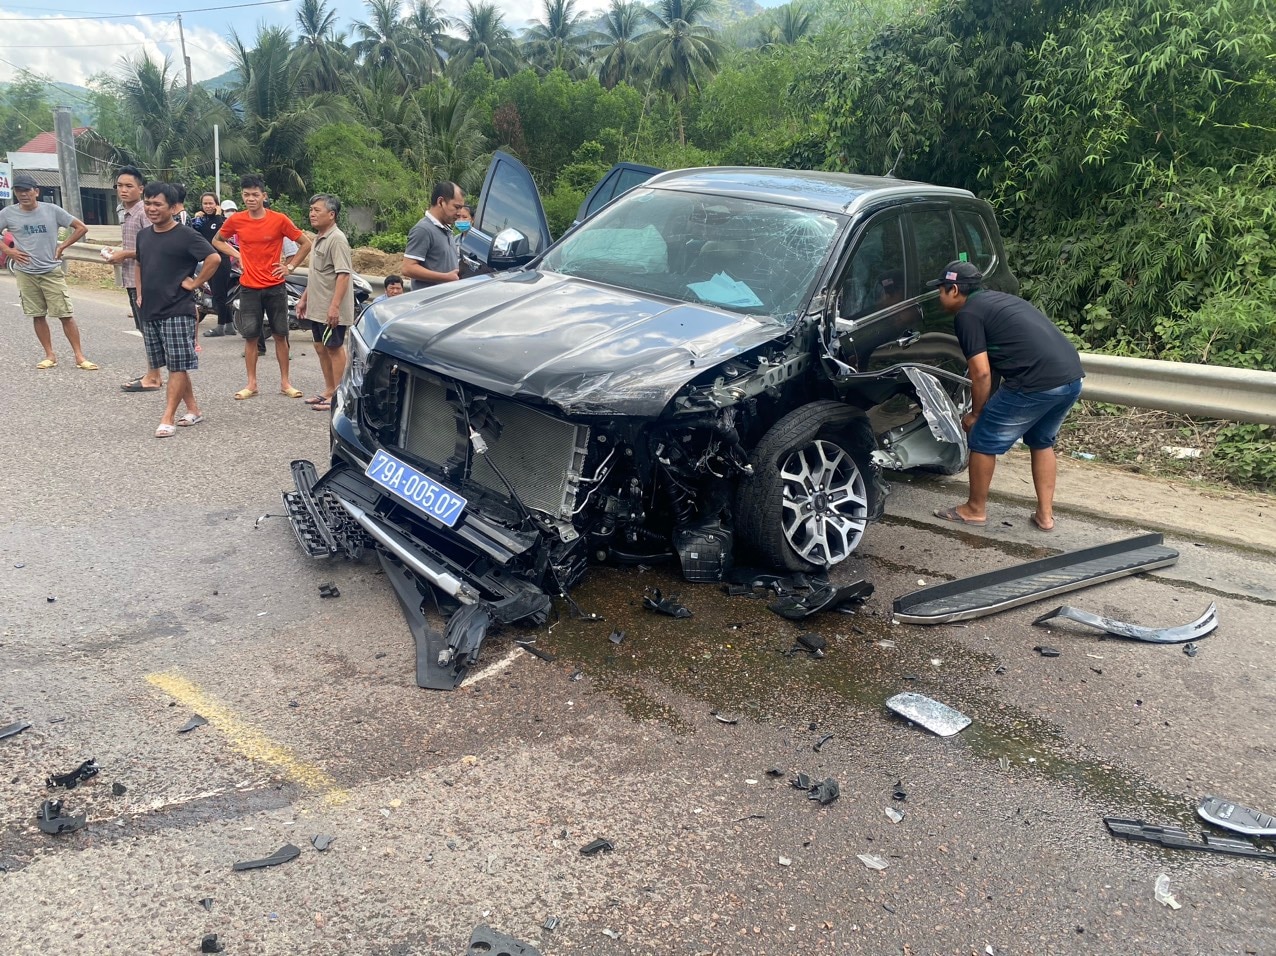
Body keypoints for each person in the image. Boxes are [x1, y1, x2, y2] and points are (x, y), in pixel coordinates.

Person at [929, 260, 1084, 532]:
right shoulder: (998, 301)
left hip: (1035, 383)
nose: (939, 296)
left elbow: (982, 373)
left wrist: (976, 414)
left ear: (954, 290)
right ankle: (1045, 516)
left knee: (982, 437)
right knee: (1041, 441)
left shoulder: (967, 315)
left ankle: (974, 510)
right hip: (1070, 378)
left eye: (941, 289)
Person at [212, 174, 311, 400]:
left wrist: (291, 266)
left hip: (276, 286)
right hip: (249, 287)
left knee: (280, 335)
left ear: (264, 196)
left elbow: (305, 243)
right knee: (250, 336)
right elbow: (217, 241)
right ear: (242, 196)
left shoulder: (279, 219)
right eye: (246, 195)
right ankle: (251, 383)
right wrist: (237, 255)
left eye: (255, 195)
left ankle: (286, 382)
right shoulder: (236, 220)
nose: (250, 199)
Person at [135, 182, 221, 437]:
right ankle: (194, 410)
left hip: (177, 309)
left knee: (177, 366)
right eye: (148, 203)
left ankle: (168, 416)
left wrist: (195, 283)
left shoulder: (186, 235)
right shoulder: (144, 235)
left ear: (173, 208)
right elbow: (140, 263)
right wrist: (140, 294)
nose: (151, 209)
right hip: (151, 310)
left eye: (157, 204)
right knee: (175, 364)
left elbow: (214, 258)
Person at [0, 173, 96, 370]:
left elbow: (80, 228)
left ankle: (79, 356)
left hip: (50, 270)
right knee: (37, 314)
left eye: (27, 190)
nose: (23, 194)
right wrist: (8, 250)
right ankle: (49, 355)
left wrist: (62, 247)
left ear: (36, 191)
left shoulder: (51, 210)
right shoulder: (8, 213)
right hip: (26, 272)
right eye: (19, 191)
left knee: (65, 314)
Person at [296, 193, 354, 412]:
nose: (312, 213)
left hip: (331, 309)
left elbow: (343, 275)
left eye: (317, 210)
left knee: (334, 348)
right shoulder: (320, 237)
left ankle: (339, 396)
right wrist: (303, 299)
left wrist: (335, 306)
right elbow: (318, 275)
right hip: (317, 308)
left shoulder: (337, 239)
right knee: (321, 347)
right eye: (311, 209)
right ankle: (329, 389)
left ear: (332, 214)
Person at [107, 166, 162, 391]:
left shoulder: (143, 213)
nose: (123, 190)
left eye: (129, 186)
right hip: (132, 278)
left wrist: (124, 254)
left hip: (146, 280)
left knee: (149, 328)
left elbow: (154, 246)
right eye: (119, 186)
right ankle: (154, 373)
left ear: (140, 189)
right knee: (144, 327)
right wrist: (119, 251)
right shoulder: (125, 212)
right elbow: (136, 246)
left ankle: (153, 376)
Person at [401, 181, 465, 291]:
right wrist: (446, 277)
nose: (459, 213)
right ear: (440, 202)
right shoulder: (423, 229)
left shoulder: (446, 229)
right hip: (430, 302)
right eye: (456, 207)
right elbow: (408, 268)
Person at [192, 192, 235, 337]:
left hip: (221, 261)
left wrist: (217, 216)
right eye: (205, 203)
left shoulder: (222, 220)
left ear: (217, 204)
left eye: (211, 203)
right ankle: (229, 326)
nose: (208, 206)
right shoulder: (201, 220)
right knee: (219, 294)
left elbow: (221, 234)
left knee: (219, 295)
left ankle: (220, 327)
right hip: (208, 261)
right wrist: (198, 218)